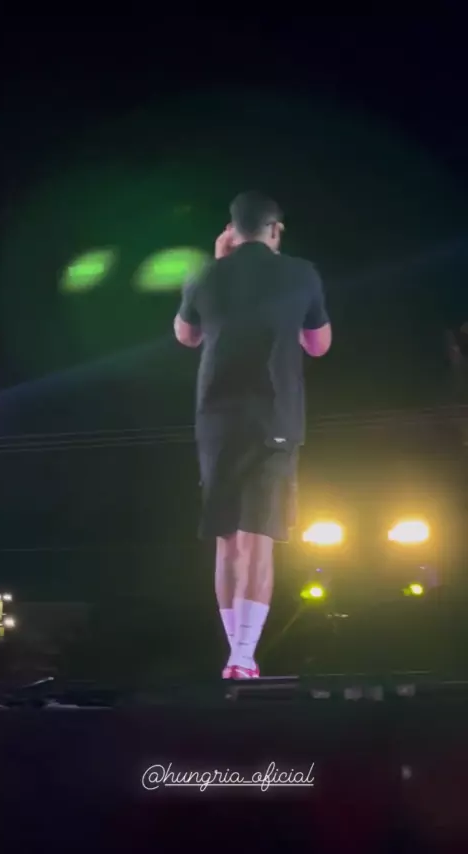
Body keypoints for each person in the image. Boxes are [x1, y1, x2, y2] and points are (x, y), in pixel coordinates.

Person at [174, 191, 332, 679]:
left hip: (217, 418)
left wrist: (218, 266)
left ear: (231, 230)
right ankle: (242, 656)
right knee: (258, 535)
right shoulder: (301, 273)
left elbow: (186, 335)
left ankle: (237, 656)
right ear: (275, 229)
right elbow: (319, 345)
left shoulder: (204, 274)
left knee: (227, 538)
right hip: (275, 417)